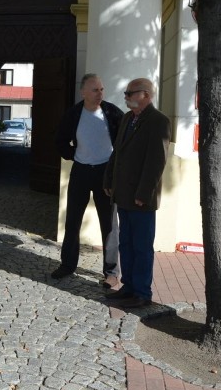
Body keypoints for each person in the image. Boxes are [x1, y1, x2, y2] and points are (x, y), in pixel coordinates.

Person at [103, 78, 170, 308]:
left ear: (146, 95)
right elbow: (117, 152)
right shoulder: (127, 119)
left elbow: (156, 162)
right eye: (126, 92)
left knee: (141, 246)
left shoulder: (158, 121)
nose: (126, 96)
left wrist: (144, 193)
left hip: (141, 199)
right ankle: (129, 287)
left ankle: (142, 292)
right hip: (123, 194)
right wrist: (109, 178)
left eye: (130, 93)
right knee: (126, 244)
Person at [52, 74, 124, 288]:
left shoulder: (112, 113)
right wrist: (74, 155)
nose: (100, 93)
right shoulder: (74, 114)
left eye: (102, 89)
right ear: (83, 92)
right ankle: (67, 265)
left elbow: (124, 142)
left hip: (106, 173)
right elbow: (60, 140)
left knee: (110, 224)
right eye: (95, 90)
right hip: (81, 171)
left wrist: (115, 168)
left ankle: (111, 272)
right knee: (73, 220)